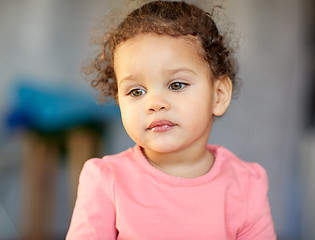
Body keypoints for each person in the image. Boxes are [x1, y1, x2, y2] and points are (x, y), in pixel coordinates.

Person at [66, 1, 276, 239]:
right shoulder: (105, 181)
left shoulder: (246, 185)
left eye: (176, 85)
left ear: (218, 95)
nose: (155, 103)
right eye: (136, 91)